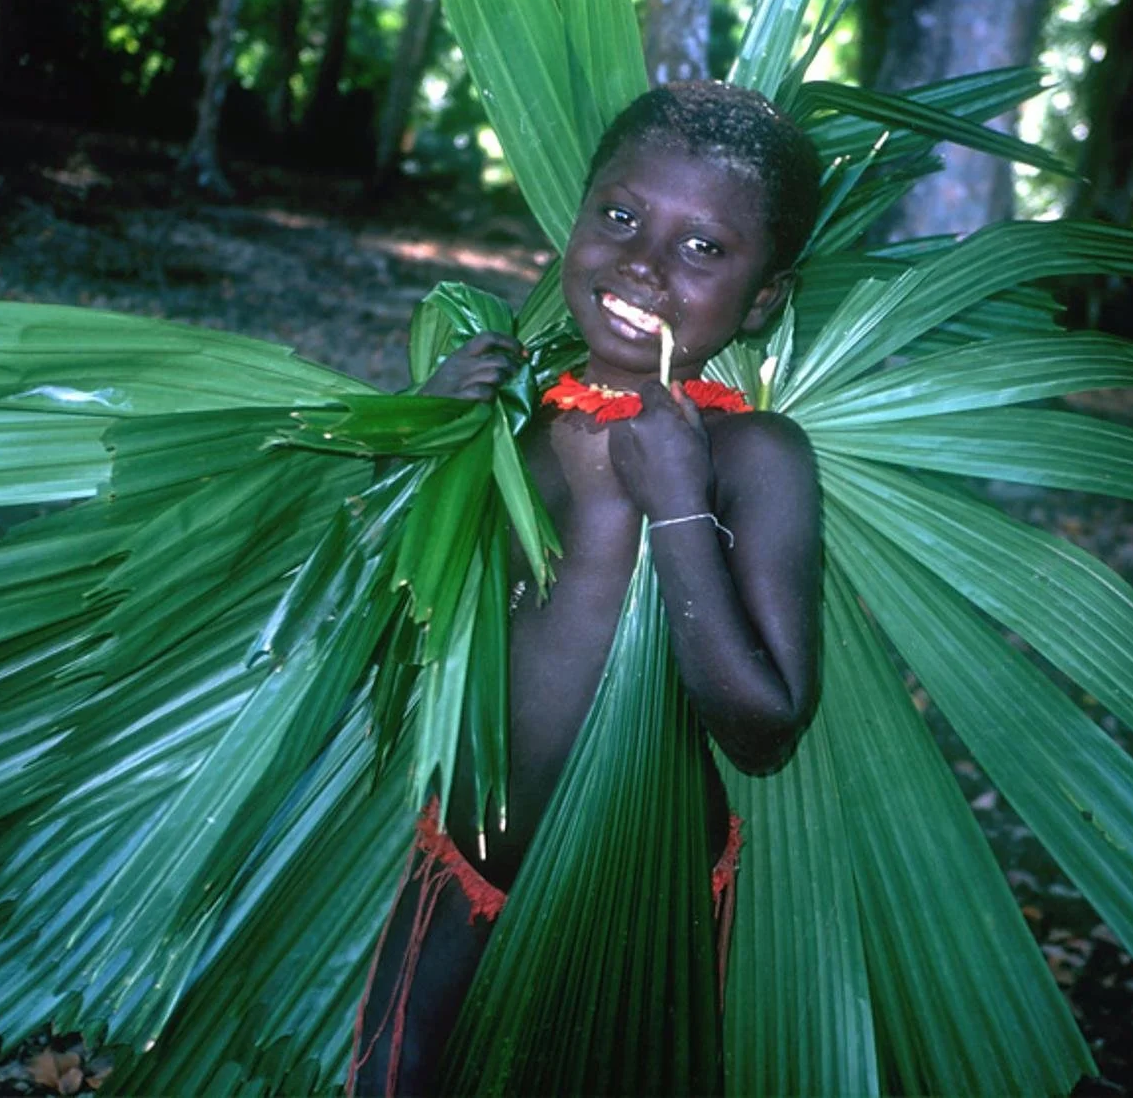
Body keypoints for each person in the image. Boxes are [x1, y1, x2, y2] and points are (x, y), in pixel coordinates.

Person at [347, 81, 825, 1095]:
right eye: (619, 215)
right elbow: (391, 596)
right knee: (389, 1075)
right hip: (460, 859)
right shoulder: (527, 414)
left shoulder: (753, 455)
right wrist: (419, 432)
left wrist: (681, 508)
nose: (643, 263)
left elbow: (767, 724)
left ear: (765, 294)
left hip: (633, 903)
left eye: (705, 249)